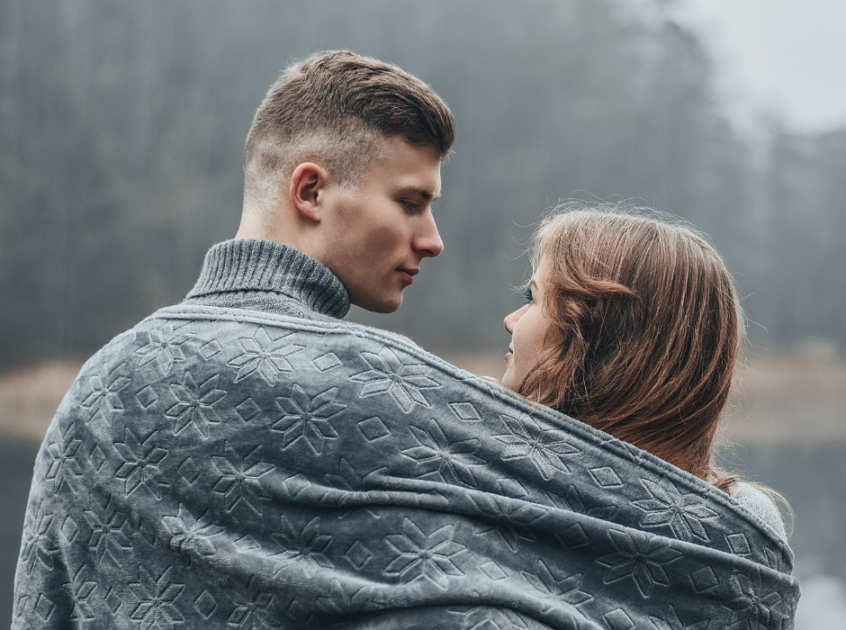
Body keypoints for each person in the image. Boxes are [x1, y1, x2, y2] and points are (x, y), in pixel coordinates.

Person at [14, 52, 798, 629]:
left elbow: (43, 602)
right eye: (411, 202)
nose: (433, 240)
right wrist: (745, 526)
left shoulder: (101, 384)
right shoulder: (387, 383)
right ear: (311, 190)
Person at [499, 207, 789, 541]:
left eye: (532, 299)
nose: (511, 320)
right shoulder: (745, 520)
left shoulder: (493, 471)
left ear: (601, 341)